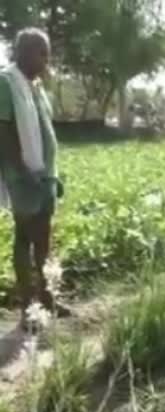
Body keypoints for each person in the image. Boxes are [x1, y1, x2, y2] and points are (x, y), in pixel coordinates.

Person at [0, 28, 67, 329]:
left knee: (44, 238)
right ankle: (29, 307)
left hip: (45, 176)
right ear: (23, 52)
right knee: (25, 238)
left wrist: (51, 174)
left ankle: (47, 298)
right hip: (23, 177)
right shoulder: (5, 83)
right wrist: (26, 172)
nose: (47, 59)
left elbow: (44, 132)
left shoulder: (36, 87)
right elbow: (3, 134)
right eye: (42, 52)